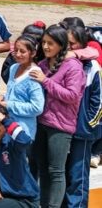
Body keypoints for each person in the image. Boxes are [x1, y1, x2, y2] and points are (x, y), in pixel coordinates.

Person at [29, 24, 85, 208]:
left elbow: (72, 96)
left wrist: (45, 81)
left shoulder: (73, 67)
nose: (45, 47)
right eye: (43, 42)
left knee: (56, 171)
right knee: (43, 169)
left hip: (60, 126)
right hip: (40, 122)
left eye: (50, 43)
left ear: (61, 45)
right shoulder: (43, 64)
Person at [59, 20, 102, 208]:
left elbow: (98, 101)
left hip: (81, 131)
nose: (69, 47)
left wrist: (88, 125)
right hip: (59, 128)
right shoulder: (57, 62)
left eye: (73, 43)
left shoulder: (92, 67)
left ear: (82, 44)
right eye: (66, 43)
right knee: (59, 171)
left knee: (78, 174)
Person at [0, 35, 44, 138]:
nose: (18, 54)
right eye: (16, 50)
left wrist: (9, 105)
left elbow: (37, 108)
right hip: (7, 126)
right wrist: (2, 97)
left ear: (32, 53)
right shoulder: (14, 68)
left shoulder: (34, 74)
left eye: (22, 51)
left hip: (23, 130)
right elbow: (13, 91)